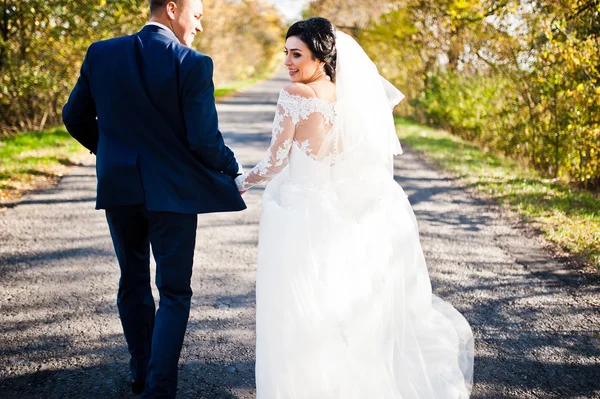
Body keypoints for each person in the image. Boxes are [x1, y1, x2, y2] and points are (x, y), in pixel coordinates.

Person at [235, 17, 474, 398]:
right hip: (331, 210)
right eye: (286, 53)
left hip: (296, 212)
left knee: (296, 310)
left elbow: (275, 162)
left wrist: (240, 181)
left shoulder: (295, 93)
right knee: (332, 309)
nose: (288, 62)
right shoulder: (343, 95)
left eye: (297, 54)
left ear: (320, 57)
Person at [62, 0, 245, 397]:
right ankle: (159, 389)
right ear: (173, 9)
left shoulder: (101, 52)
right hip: (173, 195)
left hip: (120, 186)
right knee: (175, 290)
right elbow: (204, 141)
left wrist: (111, 153)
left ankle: (141, 374)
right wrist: (233, 168)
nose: (198, 27)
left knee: (132, 281)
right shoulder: (192, 63)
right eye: (196, 17)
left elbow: (73, 116)